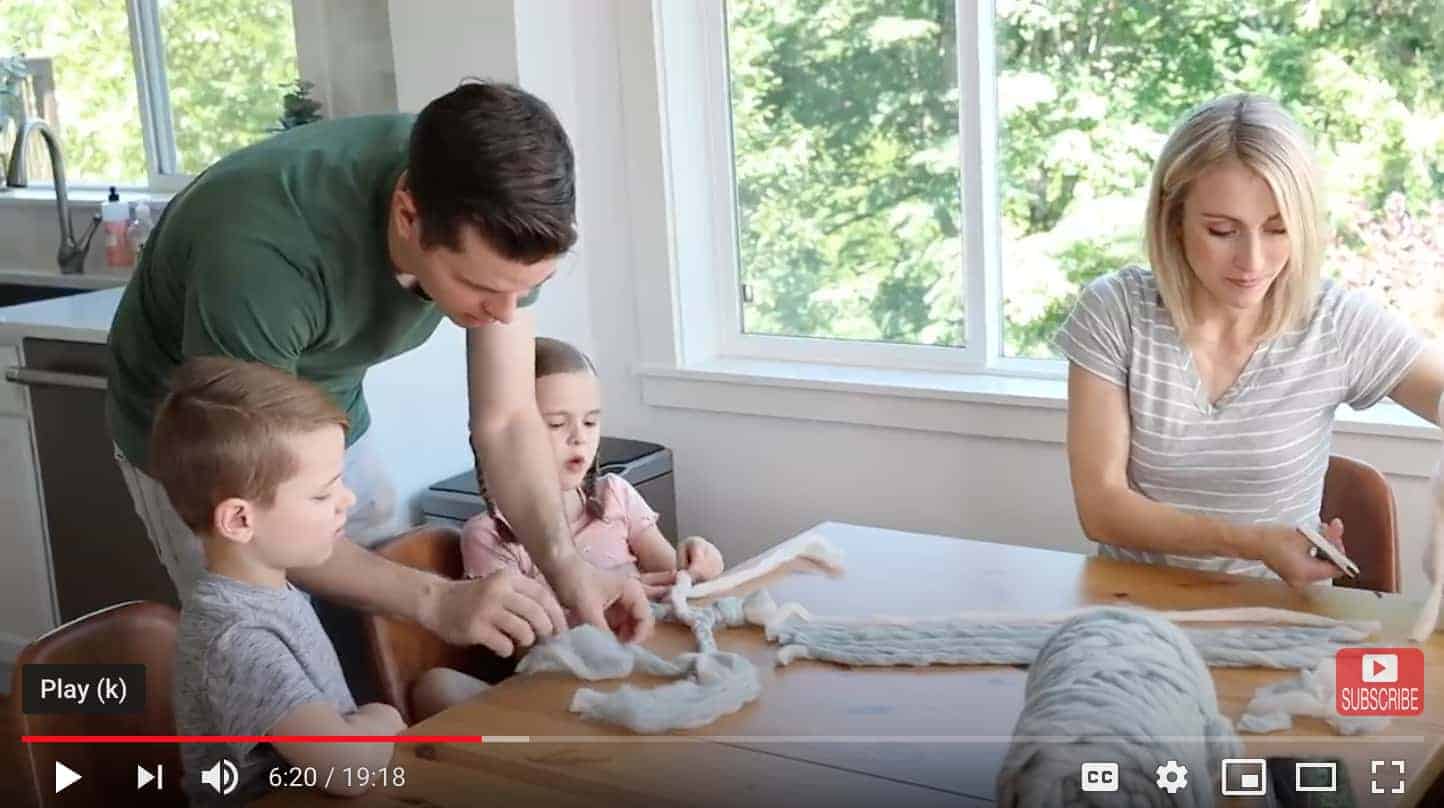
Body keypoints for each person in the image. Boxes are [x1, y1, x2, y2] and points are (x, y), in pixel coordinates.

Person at [106, 80, 651, 668]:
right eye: (480, 289)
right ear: (408, 214)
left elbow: (508, 418)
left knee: (378, 645)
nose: (504, 315)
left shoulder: (497, 202)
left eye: (528, 288)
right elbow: (261, 516)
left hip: (322, 405)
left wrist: (569, 567)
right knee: (267, 658)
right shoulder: (260, 256)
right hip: (201, 432)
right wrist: (437, 599)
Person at [1055, 93, 1444, 587]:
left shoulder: (1333, 322)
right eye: (1222, 231)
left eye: (1278, 230)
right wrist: (1253, 542)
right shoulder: (1115, 312)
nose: (1253, 261)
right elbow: (1102, 508)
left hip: (1284, 616)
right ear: (1174, 220)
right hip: (1137, 612)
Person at [155, 357, 470, 803]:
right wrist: (381, 716)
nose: (348, 499)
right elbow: (346, 768)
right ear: (241, 519)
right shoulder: (239, 638)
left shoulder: (266, 592)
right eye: (322, 493)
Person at [461, 337, 725, 608]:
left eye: (590, 422)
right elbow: (524, 641)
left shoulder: (615, 494)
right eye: (556, 424)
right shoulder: (488, 537)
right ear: (504, 435)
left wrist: (697, 564)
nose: (579, 437)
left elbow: (673, 577)